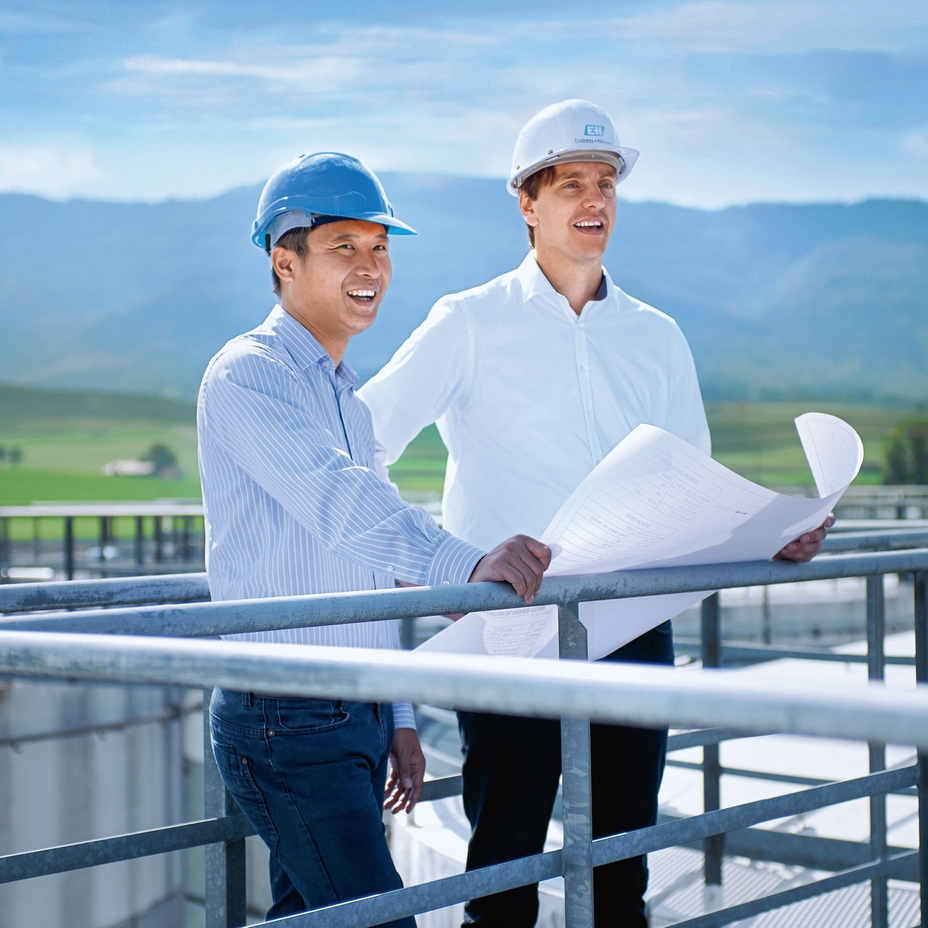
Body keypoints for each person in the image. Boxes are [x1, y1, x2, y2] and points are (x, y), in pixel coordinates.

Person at [358, 100, 832, 927]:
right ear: (527, 202)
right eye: (572, 181)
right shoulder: (467, 322)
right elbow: (359, 446)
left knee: (622, 867)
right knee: (501, 872)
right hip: (507, 626)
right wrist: (442, 560)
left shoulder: (658, 337)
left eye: (606, 182)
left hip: (633, 624)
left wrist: (768, 535)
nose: (594, 199)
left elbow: (694, 485)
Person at [197, 151, 551, 925]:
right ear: (284, 261)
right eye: (344, 248)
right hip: (285, 713)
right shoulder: (247, 377)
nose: (371, 268)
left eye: (380, 247)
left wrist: (397, 716)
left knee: (311, 914)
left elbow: (367, 564)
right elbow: (340, 503)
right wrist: (464, 567)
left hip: (350, 710)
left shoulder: (347, 397)